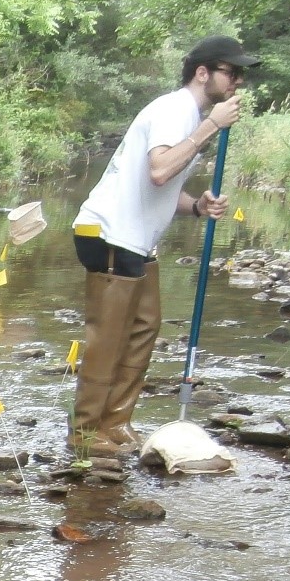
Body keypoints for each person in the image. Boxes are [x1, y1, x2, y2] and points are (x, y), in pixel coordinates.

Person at [69, 35, 253, 457]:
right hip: (108, 232)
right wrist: (212, 126)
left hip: (135, 239)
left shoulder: (188, 116)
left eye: (241, 74)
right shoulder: (177, 109)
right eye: (231, 72)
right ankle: (84, 434)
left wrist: (198, 206)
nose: (238, 81)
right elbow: (158, 170)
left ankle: (116, 424)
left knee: (143, 330)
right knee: (109, 338)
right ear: (203, 73)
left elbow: (163, 190)